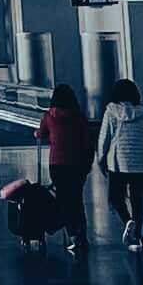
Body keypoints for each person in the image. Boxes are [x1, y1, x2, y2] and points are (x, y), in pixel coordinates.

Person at [99, 77, 143, 247]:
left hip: (118, 161)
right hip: (140, 162)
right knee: (137, 199)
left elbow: (104, 138)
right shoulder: (142, 112)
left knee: (115, 197)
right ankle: (137, 234)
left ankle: (128, 221)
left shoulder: (111, 111)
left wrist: (101, 158)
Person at [39, 79, 95, 250]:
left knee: (64, 199)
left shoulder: (49, 116)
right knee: (76, 199)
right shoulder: (79, 117)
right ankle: (82, 235)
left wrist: (38, 133)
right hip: (77, 164)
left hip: (57, 165)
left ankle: (72, 235)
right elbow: (88, 141)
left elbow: (41, 133)